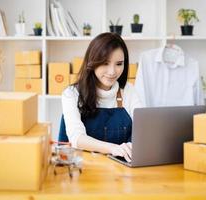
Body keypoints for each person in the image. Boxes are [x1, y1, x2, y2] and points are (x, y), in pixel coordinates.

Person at [59, 32, 143, 162]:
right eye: (105, 63)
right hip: (84, 170)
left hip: (122, 172)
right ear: (92, 62)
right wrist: (113, 148)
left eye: (119, 64)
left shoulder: (129, 91)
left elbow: (142, 129)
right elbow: (77, 138)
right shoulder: (71, 94)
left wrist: (131, 146)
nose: (112, 72)